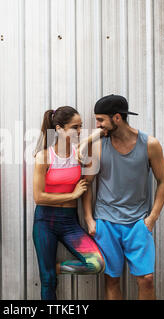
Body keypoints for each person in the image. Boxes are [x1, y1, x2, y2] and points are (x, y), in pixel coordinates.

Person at [81, 95, 164, 300]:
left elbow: (163, 181)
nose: (97, 125)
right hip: (106, 222)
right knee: (112, 279)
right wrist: (89, 220)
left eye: (101, 120)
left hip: (138, 223)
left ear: (117, 118)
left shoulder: (150, 144)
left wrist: (152, 218)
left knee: (146, 278)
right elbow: (87, 184)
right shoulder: (98, 145)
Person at [32, 106, 105, 300]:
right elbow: (39, 197)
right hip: (45, 221)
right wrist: (72, 196)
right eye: (75, 127)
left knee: (96, 264)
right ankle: (48, 272)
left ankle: (53, 268)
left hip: (69, 223)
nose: (80, 131)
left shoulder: (79, 153)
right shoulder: (44, 157)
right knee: (48, 281)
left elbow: (86, 186)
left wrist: (87, 141)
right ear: (59, 129)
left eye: (81, 127)